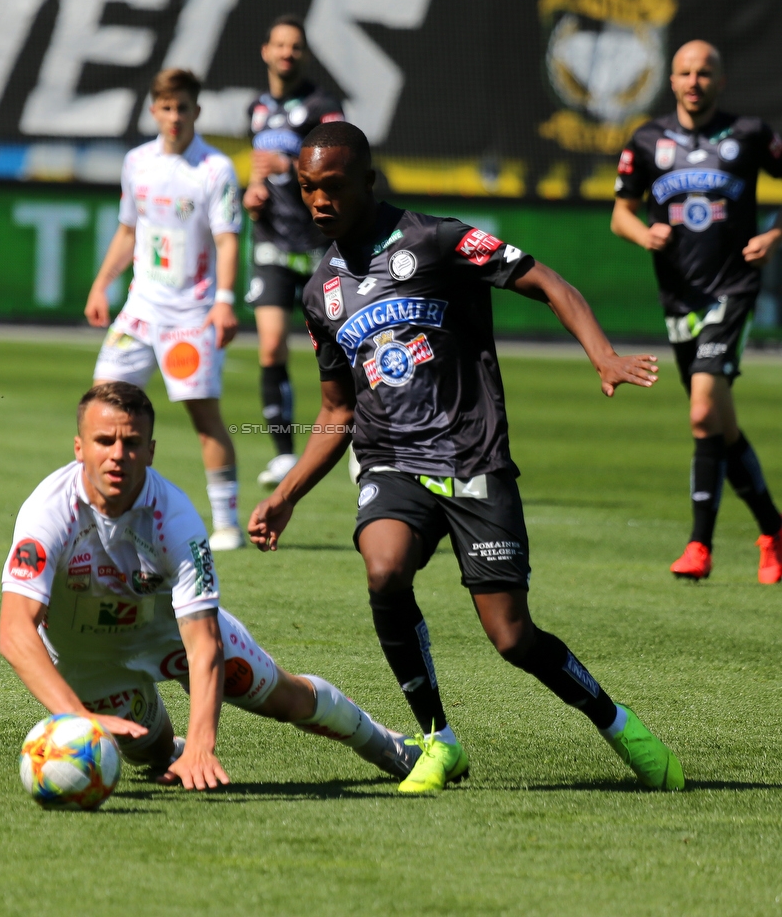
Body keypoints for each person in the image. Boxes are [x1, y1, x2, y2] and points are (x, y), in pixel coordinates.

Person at [248, 121, 685, 794]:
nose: (318, 202)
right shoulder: (320, 292)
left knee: (512, 639)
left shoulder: (438, 239)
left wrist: (603, 354)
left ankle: (616, 720)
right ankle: (438, 739)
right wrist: (287, 496)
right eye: (308, 190)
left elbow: (546, 280)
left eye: (332, 187)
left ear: (368, 182)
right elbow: (337, 411)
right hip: (390, 460)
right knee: (385, 567)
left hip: (472, 457)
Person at [0, 382, 419, 791]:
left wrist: (203, 744)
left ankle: (389, 746)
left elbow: (202, 642)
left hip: (170, 639)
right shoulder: (48, 511)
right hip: (89, 660)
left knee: (282, 698)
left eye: (131, 443)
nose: (117, 455)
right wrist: (76, 719)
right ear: (79, 448)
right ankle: (167, 747)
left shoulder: (174, 518)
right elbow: (16, 632)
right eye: (104, 441)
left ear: (150, 450)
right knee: (149, 751)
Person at [612, 40, 782, 583]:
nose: (694, 81)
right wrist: (645, 233)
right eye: (685, 72)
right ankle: (773, 530)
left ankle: (698, 546)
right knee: (720, 426)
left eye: (705, 72)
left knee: (704, 409)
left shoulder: (751, 134)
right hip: (679, 300)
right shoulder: (646, 138)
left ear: (721, 80)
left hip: (732, 289)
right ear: (671, 79)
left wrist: (774, 234)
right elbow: (622, 213)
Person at [84, 68, 244, 552]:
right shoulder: (137, 162)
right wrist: (101, 285)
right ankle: (98, 509)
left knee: (203, 416)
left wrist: (224, 302)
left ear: (197, 111)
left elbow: (227, 240)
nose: (175, 117)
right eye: (166, 108)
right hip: (140, 310)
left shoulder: (215, 169)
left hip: (190, 317)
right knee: (102, 404)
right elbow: (129, 231)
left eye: (183, 108)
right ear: (154, 110)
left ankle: (227, 523)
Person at [243, 15, 344, 488]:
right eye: (279, 44)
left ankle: (364, 442)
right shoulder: (256, 109)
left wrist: (293, 164)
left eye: (295, 46)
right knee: (270, 346)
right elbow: (258, 171)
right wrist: (254, 191)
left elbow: (342, 164)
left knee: (343, 349)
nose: (287, 53)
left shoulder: (324, 106)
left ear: (303, 54)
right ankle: (284, 454)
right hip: (271, 242)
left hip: (320, 245)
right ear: (265, 51)